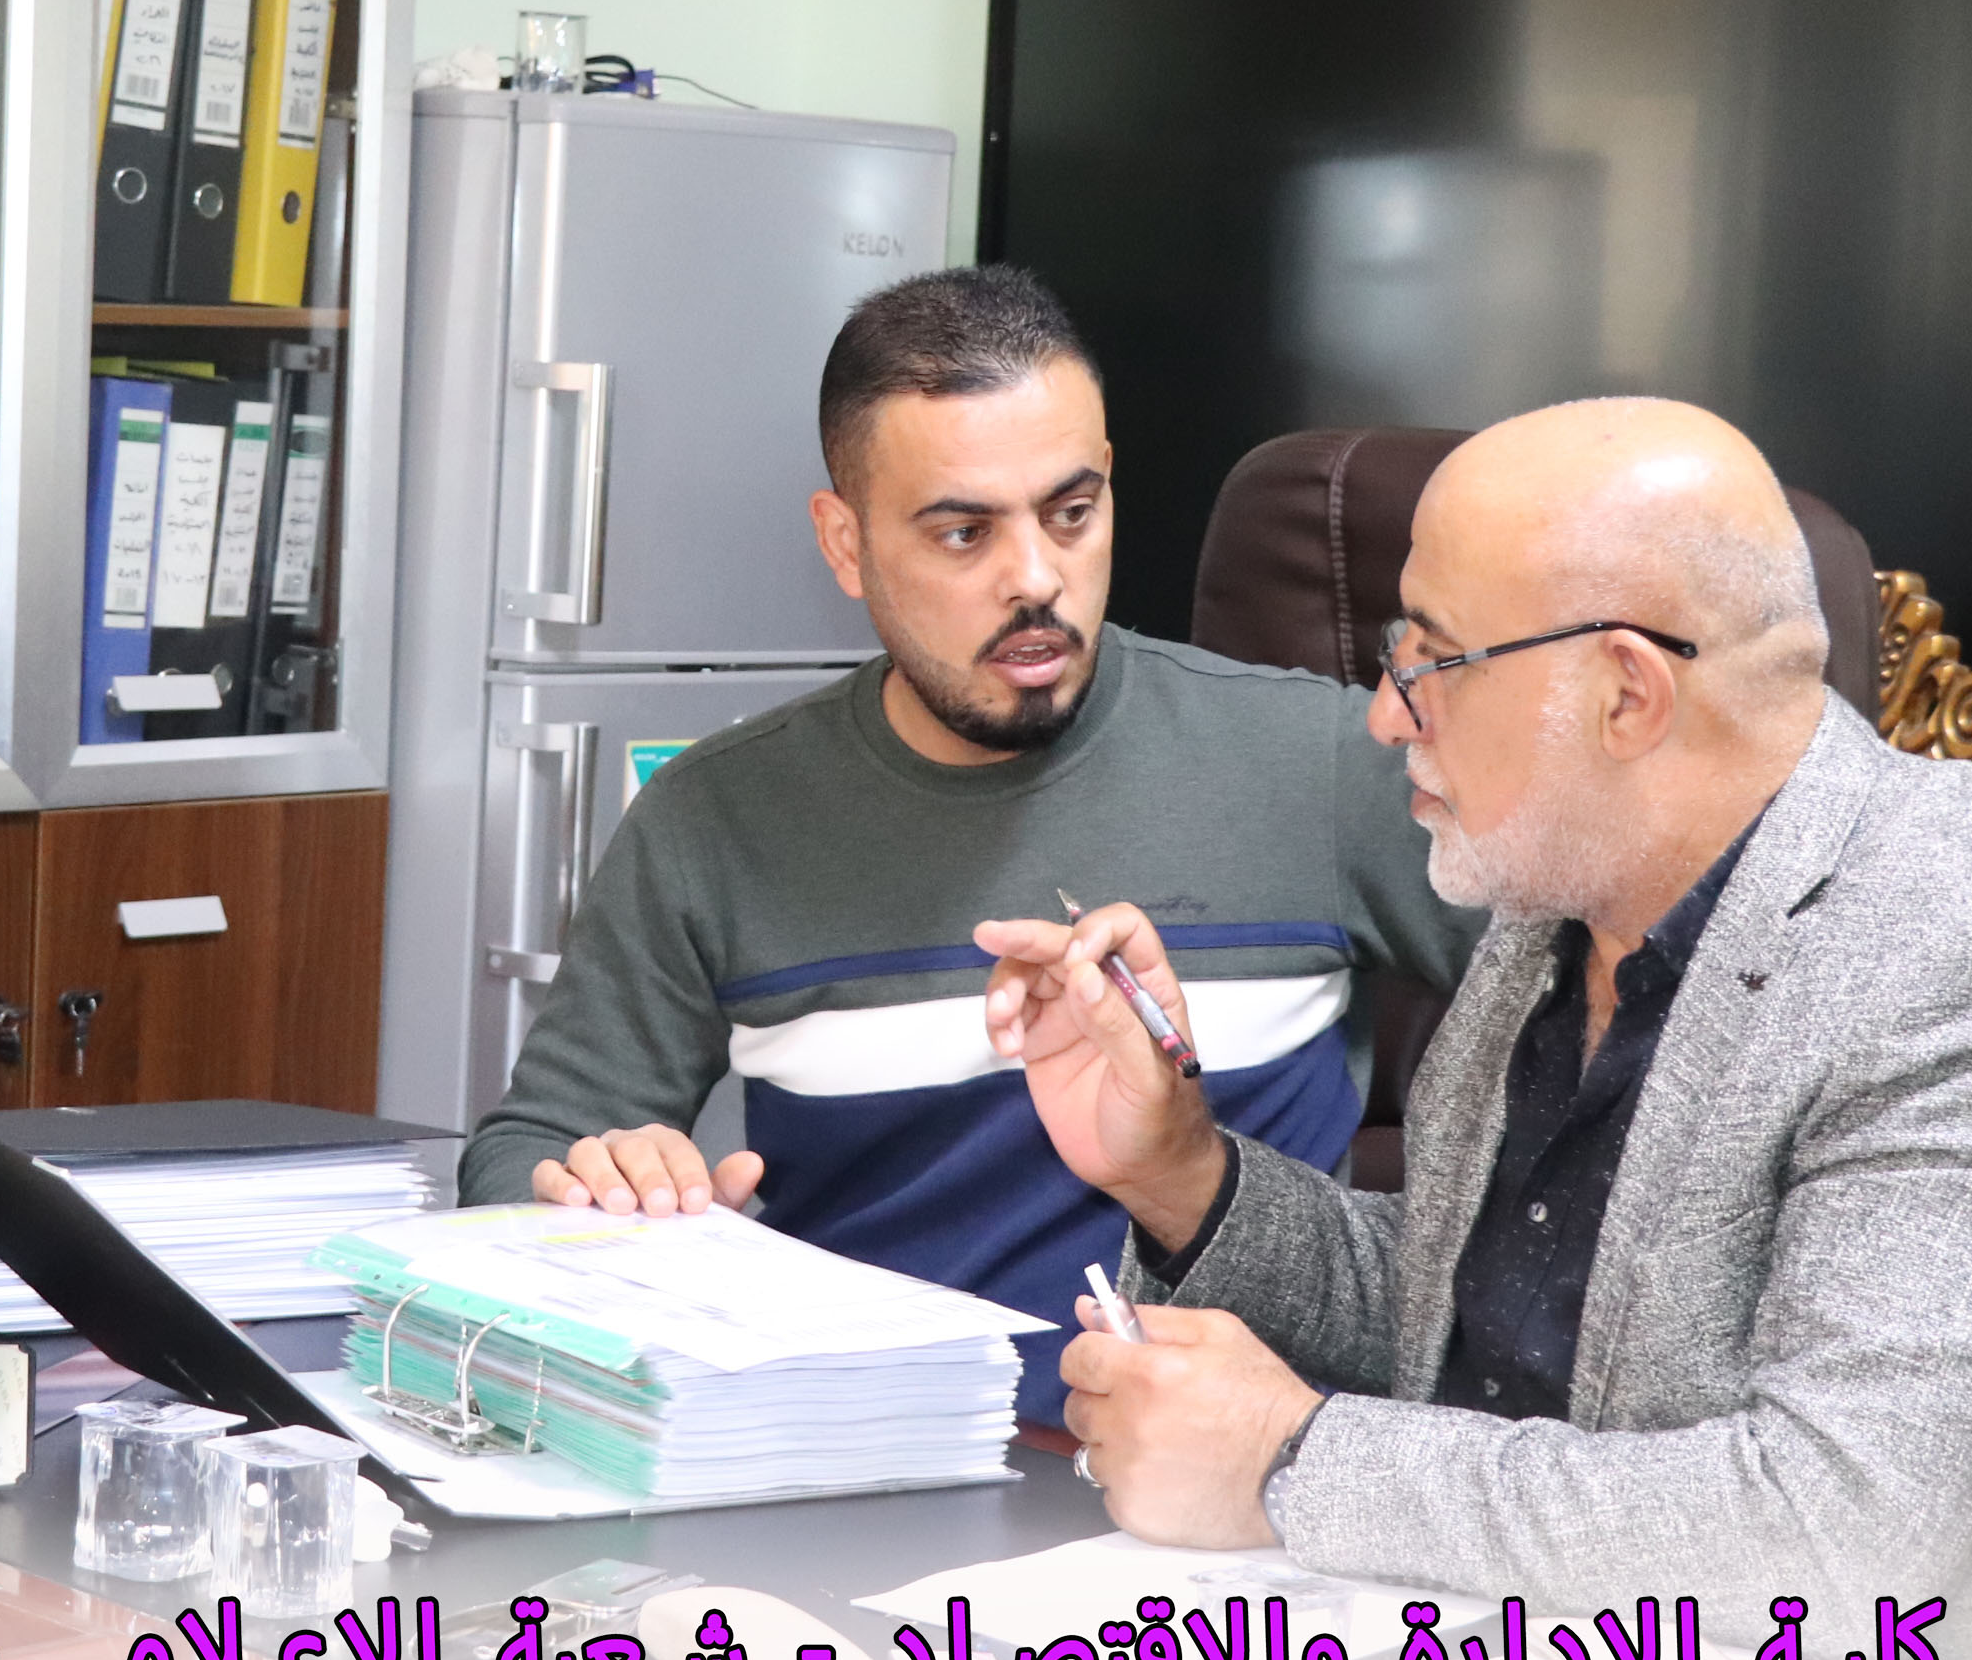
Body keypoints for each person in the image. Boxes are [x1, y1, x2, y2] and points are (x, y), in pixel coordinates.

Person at [983, 396, 1972, 1660]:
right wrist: (1178, 1170)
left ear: (1625, 693)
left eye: (1429, 659)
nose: (1384, 714)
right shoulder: (1561, 895)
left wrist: (1291, 1460)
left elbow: (1822, 1547)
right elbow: (1466, 1313)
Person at [460, 266, 1476, 1422]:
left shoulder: (1330, 762)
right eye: (962, 532)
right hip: (858, 1458)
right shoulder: (715, 819)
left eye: (1071, 512)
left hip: (1223, 1481)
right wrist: (595, 1190)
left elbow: (1611, 1042)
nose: (1036, 578)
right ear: (845, 543)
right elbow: (521, 1155)